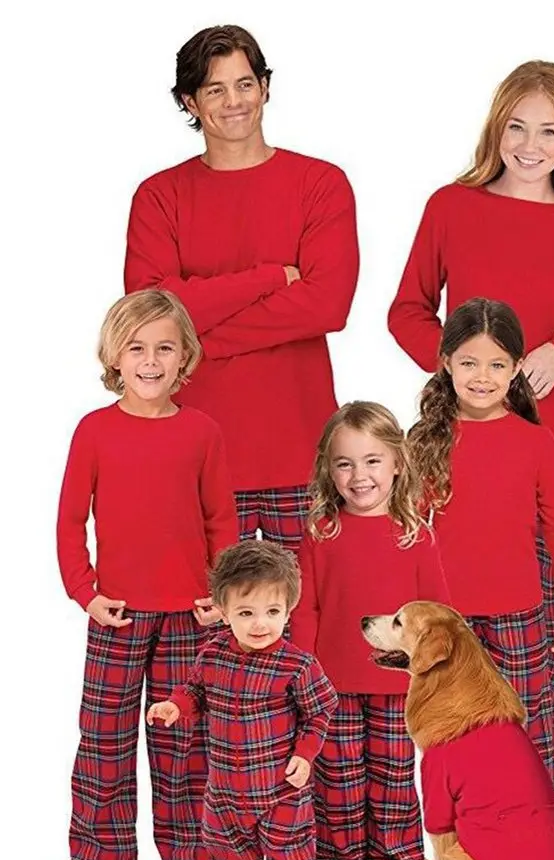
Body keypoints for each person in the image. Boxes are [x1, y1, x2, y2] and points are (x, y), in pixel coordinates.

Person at [389, 61, 554, 808]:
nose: (531, 145)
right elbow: (407, 312)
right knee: (460, 634)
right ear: (496, 129)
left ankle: (546, 811)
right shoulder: (451, 207)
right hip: (462, 451)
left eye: (549, 131)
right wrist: (465, 370)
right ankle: (469, 811)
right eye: (517, 127)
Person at [125, 23, 359, 556]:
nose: (234, 101)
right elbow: (150, 316)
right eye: (215, 89)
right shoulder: (159, 197)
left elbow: (327, 305)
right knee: (200, 605)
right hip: (194, 452)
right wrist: (270, 278)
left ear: (265, 88)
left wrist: (196, 335)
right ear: (190, 102)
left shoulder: (321, 184)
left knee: (309, 606)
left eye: (245, 84)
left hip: (300, 450)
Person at [48, 290, 238, 860]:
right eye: (136, 348)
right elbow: (69, 521)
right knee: (104, 735)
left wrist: (222, 593)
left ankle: (184, 852)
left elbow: (221, 521)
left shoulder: (203, 431)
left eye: (164, 348)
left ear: (185, 357)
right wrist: (85, 593)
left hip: (189, 614)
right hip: (116, 613)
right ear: (114, 356)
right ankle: (95, 850)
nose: (150, 361)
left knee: (182, 738)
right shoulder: (94, 430)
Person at [407, 298, 554, 793]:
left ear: (516, 368)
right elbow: (409, 530)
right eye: (469, 363)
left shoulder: (536, 442)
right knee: (454, 734)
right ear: (447, 363)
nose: (482, 377)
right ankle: (467, 827)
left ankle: (539, 824)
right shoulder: (426, 441)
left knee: (526, 736)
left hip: (519, 616)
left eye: (496, 364)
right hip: (450, 621)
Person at [289, 402, 450, 860]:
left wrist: (435, 674)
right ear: (329, 470)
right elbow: (307, 609)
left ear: (397, 463)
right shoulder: (320, 533)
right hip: (331, 683)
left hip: (397, 685)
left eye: (372, 461)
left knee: (394, 776)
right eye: (345, 464)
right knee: (337, 777)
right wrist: (303, 672)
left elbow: (436, 612)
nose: (359, 476)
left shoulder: (415, 534)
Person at [147, 541, 338, 860]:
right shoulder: (213, 653)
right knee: (227, 846)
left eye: (272, 611)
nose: (260, 624)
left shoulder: (298, 665)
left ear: (288, 610)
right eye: (246, 613)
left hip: (280, 786)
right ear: (223, 610)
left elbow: (320, 712)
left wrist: (305, 754)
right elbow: (194, 691)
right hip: (225, 786)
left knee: (289, 850)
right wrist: (174, 706)